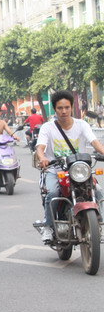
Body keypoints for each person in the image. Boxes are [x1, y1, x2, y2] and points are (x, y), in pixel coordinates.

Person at [36, 90, 104, 243]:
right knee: (52, 193)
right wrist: (43, 158)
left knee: (98, 192)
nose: (64, 111)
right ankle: (48, 226)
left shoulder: (82, 125)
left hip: (79, 169)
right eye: (60, 108)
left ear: (72, 107)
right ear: (55, 109)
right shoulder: (47, 127)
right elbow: (40, 147)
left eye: (67, 107)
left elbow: (95, 142)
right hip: (56, 170)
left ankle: (99, 224)